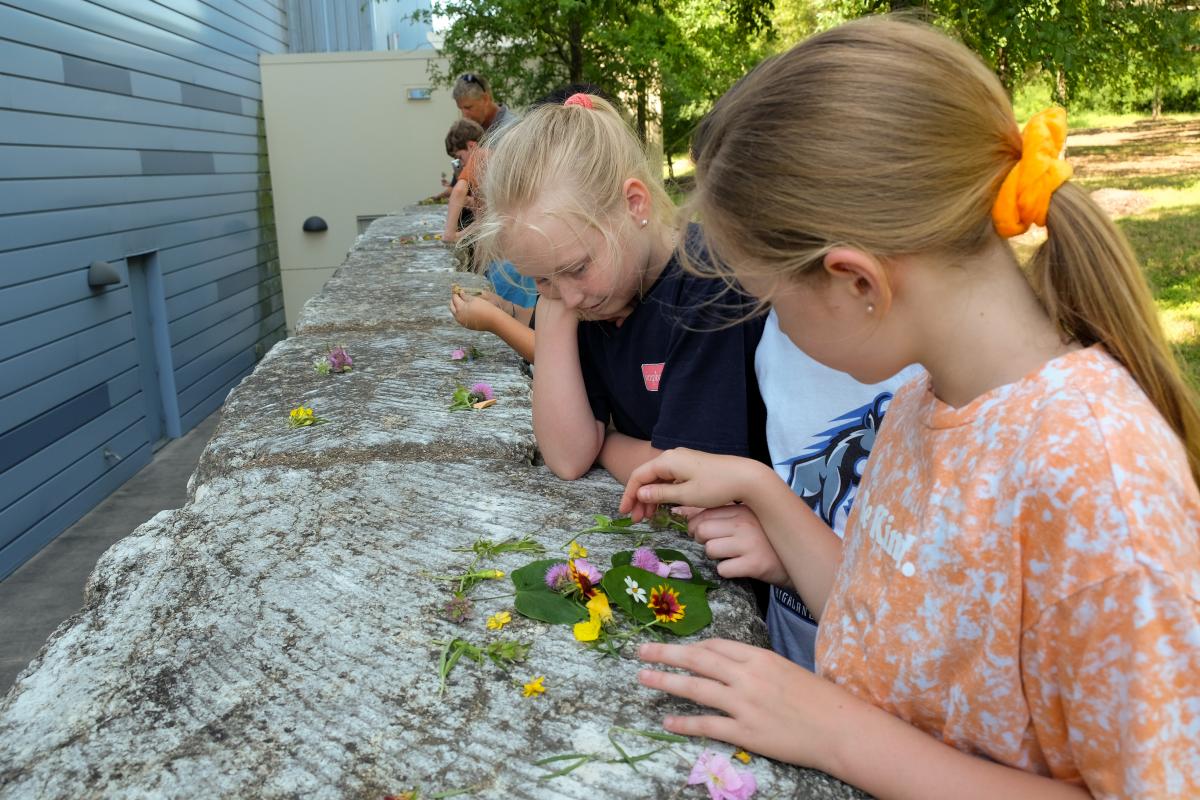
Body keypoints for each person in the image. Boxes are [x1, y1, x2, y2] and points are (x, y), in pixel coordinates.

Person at [620, 17, 1200, 799]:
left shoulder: (1099, 485)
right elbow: (889, 621)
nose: (776, 329)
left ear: (858, 283)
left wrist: (834, 730)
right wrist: (759, 488)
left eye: (771, 305)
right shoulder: (923, 402)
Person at [470, 93, 768, 484]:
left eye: (577, 268)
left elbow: (692, 478)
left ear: (634, 204)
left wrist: (606, 442)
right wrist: (554, 306)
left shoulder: (707, 283)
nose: (572, 297)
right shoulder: (592, 296)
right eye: (541, 279)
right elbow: (568, 456)